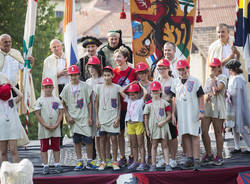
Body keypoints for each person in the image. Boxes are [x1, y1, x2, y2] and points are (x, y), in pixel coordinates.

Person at [171, 59, 205, 171]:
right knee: (184, 134)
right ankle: (189, 158)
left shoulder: (195, 81)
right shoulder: (175, 82)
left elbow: (201, 96)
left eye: (183, 69)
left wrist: (201, 111)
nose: (181, 71)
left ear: (188, 68)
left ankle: (196, 160)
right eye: (179, 70)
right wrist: (173, 114)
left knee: (194, 135)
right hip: (181, 113)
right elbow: (174, 99)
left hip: (193, 113)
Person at [60, 65, 95, 170]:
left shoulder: (85, 86)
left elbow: (89, 102)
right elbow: (63, 104)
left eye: (75, 75)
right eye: (71, 75)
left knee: (88, 140)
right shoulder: (66, 88)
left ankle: (89, 161)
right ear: (69, 76)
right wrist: (67, 115)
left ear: (79, 75)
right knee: (76, 141)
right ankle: (79, 161)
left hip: (84, 116)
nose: (73, 77)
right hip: (73, 119)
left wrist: (90, 117)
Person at [112, 46, 137, 167]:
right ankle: (122, 156)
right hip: (119, 107)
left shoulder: (133, 72)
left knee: (132, 133)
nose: (117, 59)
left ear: (126, 58)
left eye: (119, 56)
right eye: (115, 56)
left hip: (131, 107)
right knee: (120, 133)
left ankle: (133, 155)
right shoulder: (113, 72)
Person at [34, 78, 64, 175]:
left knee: (56, 146)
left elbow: (61, 113)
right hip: (44, 128)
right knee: (44, 147)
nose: (48, 89)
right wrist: (45, 124)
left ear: (53, 87)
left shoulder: (57, 99)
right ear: (43, 88)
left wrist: (57, 124)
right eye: (46, 87)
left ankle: (57, 163)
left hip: (55, 127)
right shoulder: (39, 101)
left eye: (50, 87)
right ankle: (45, 165)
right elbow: (37, 114)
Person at [42, 39, 69, 146]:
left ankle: (78, 136)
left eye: (58, 46)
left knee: (71, 110)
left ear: (61, 46)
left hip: (67, 87)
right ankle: (58, 138)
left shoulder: (68, 57)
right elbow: (46, 77)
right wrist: (58, 74)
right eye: (54, 47)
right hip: (55, 89)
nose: (56, 48)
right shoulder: (48, 60)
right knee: (57, 113)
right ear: (51, 49)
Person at [0, 34, 35, 114]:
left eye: (9, 42)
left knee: (14, 113)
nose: (8, 44)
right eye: (5, 42)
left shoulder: (16, 53)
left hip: (14, 89)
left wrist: (31, 64)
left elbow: (25, 70)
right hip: (1, 89)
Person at [201, 58, 227, 166]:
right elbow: (206, 93)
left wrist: (212, 80)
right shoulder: (208, 78)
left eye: (214, 67)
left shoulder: (222, 77)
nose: (212, 69)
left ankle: (219, 156)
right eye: (211, 67)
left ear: (219, 67)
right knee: (203, 132)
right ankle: (209, 153)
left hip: (218, 109)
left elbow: (216, 91)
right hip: (208, 108)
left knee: (217, 133)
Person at [95, 66, 121, 171]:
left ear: (112, 75)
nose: (106, 77)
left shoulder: (117, 87)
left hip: (113, 117)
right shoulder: (98, 87)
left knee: (114, 139)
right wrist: (97, 118)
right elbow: (96, 103)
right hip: (102, 117)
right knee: (102, 140)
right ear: (102, 76)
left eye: (108, 75)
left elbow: (119, 104)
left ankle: (114, 160)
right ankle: (103, 161)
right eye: (105, 75)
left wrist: (118, 117)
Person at [143, 81, 172, 172]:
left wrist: (164, 121)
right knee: (154, 145)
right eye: (153, 91)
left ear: (160, 91)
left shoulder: (164, 103)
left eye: (156, 91)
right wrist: (147, 129)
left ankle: (167, 163)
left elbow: (169, 115)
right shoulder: (148, 104)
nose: (155, 93)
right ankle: (153, 164)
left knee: (165, 145)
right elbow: (146, 117)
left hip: (163, 127)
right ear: (150, 92)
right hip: (153, 127)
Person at [120, 82, 148, 171]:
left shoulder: (140, 101)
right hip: (130, 124)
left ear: (139, 94)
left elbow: (146, 93)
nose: (132, 96)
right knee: (133, 145)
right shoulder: (128, 100)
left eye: (134, 94)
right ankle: (135, 161)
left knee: (141, 144)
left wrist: (140, 85)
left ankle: (143, 162)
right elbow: (121, 91)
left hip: (138, 124)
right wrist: (131, 84)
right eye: (130, 94)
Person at [156, 59, 178, 169]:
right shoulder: (157, 80)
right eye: (159, 68)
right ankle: (165, 157)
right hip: (160, 113)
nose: (161, 70)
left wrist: (173, 114)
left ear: (168, 69)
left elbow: (173, 99)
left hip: (170, 112)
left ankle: (173, 158)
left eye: (163, 68)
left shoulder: (173, 81)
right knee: (163, 136)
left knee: (172, 136)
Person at [225, 59, 250, 154]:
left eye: (230, 69)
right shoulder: (233, 77)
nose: (229, 71)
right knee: (234, 126)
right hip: (233, 107)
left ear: (234, 69)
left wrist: (226, 94)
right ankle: (237, 146)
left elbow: (235, 93)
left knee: (242, 128)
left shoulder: (238, 79)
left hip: (239, 107)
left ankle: (249, 147)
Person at [85, 56, 104, 166]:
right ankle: (98, 158)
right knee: (95, 135)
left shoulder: (102, 79)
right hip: (92, 111)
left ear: (97, 67)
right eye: (89, 67)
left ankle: (105, 157)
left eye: (93, 66)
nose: (91, 69)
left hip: (103, 109)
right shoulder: (88, 81)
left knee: (103, 136)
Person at [0, 73, 23, 163]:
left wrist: (12, 86)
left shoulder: (11, 101)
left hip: (12, 127)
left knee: (14, 150)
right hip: (2, 128)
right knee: (3, 152)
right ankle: (5, 172)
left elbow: (20, 96)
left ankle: (17, 171)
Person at [135, 62, 152, 165]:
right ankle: (141, 158)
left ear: (147, 73)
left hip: (149, 114)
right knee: (139, 137)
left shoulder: (151, 84)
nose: (142, 75)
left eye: (144, 73)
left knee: (149, 136)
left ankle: (150, 155)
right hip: (138, 114)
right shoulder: (136, 85)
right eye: (140, 73)